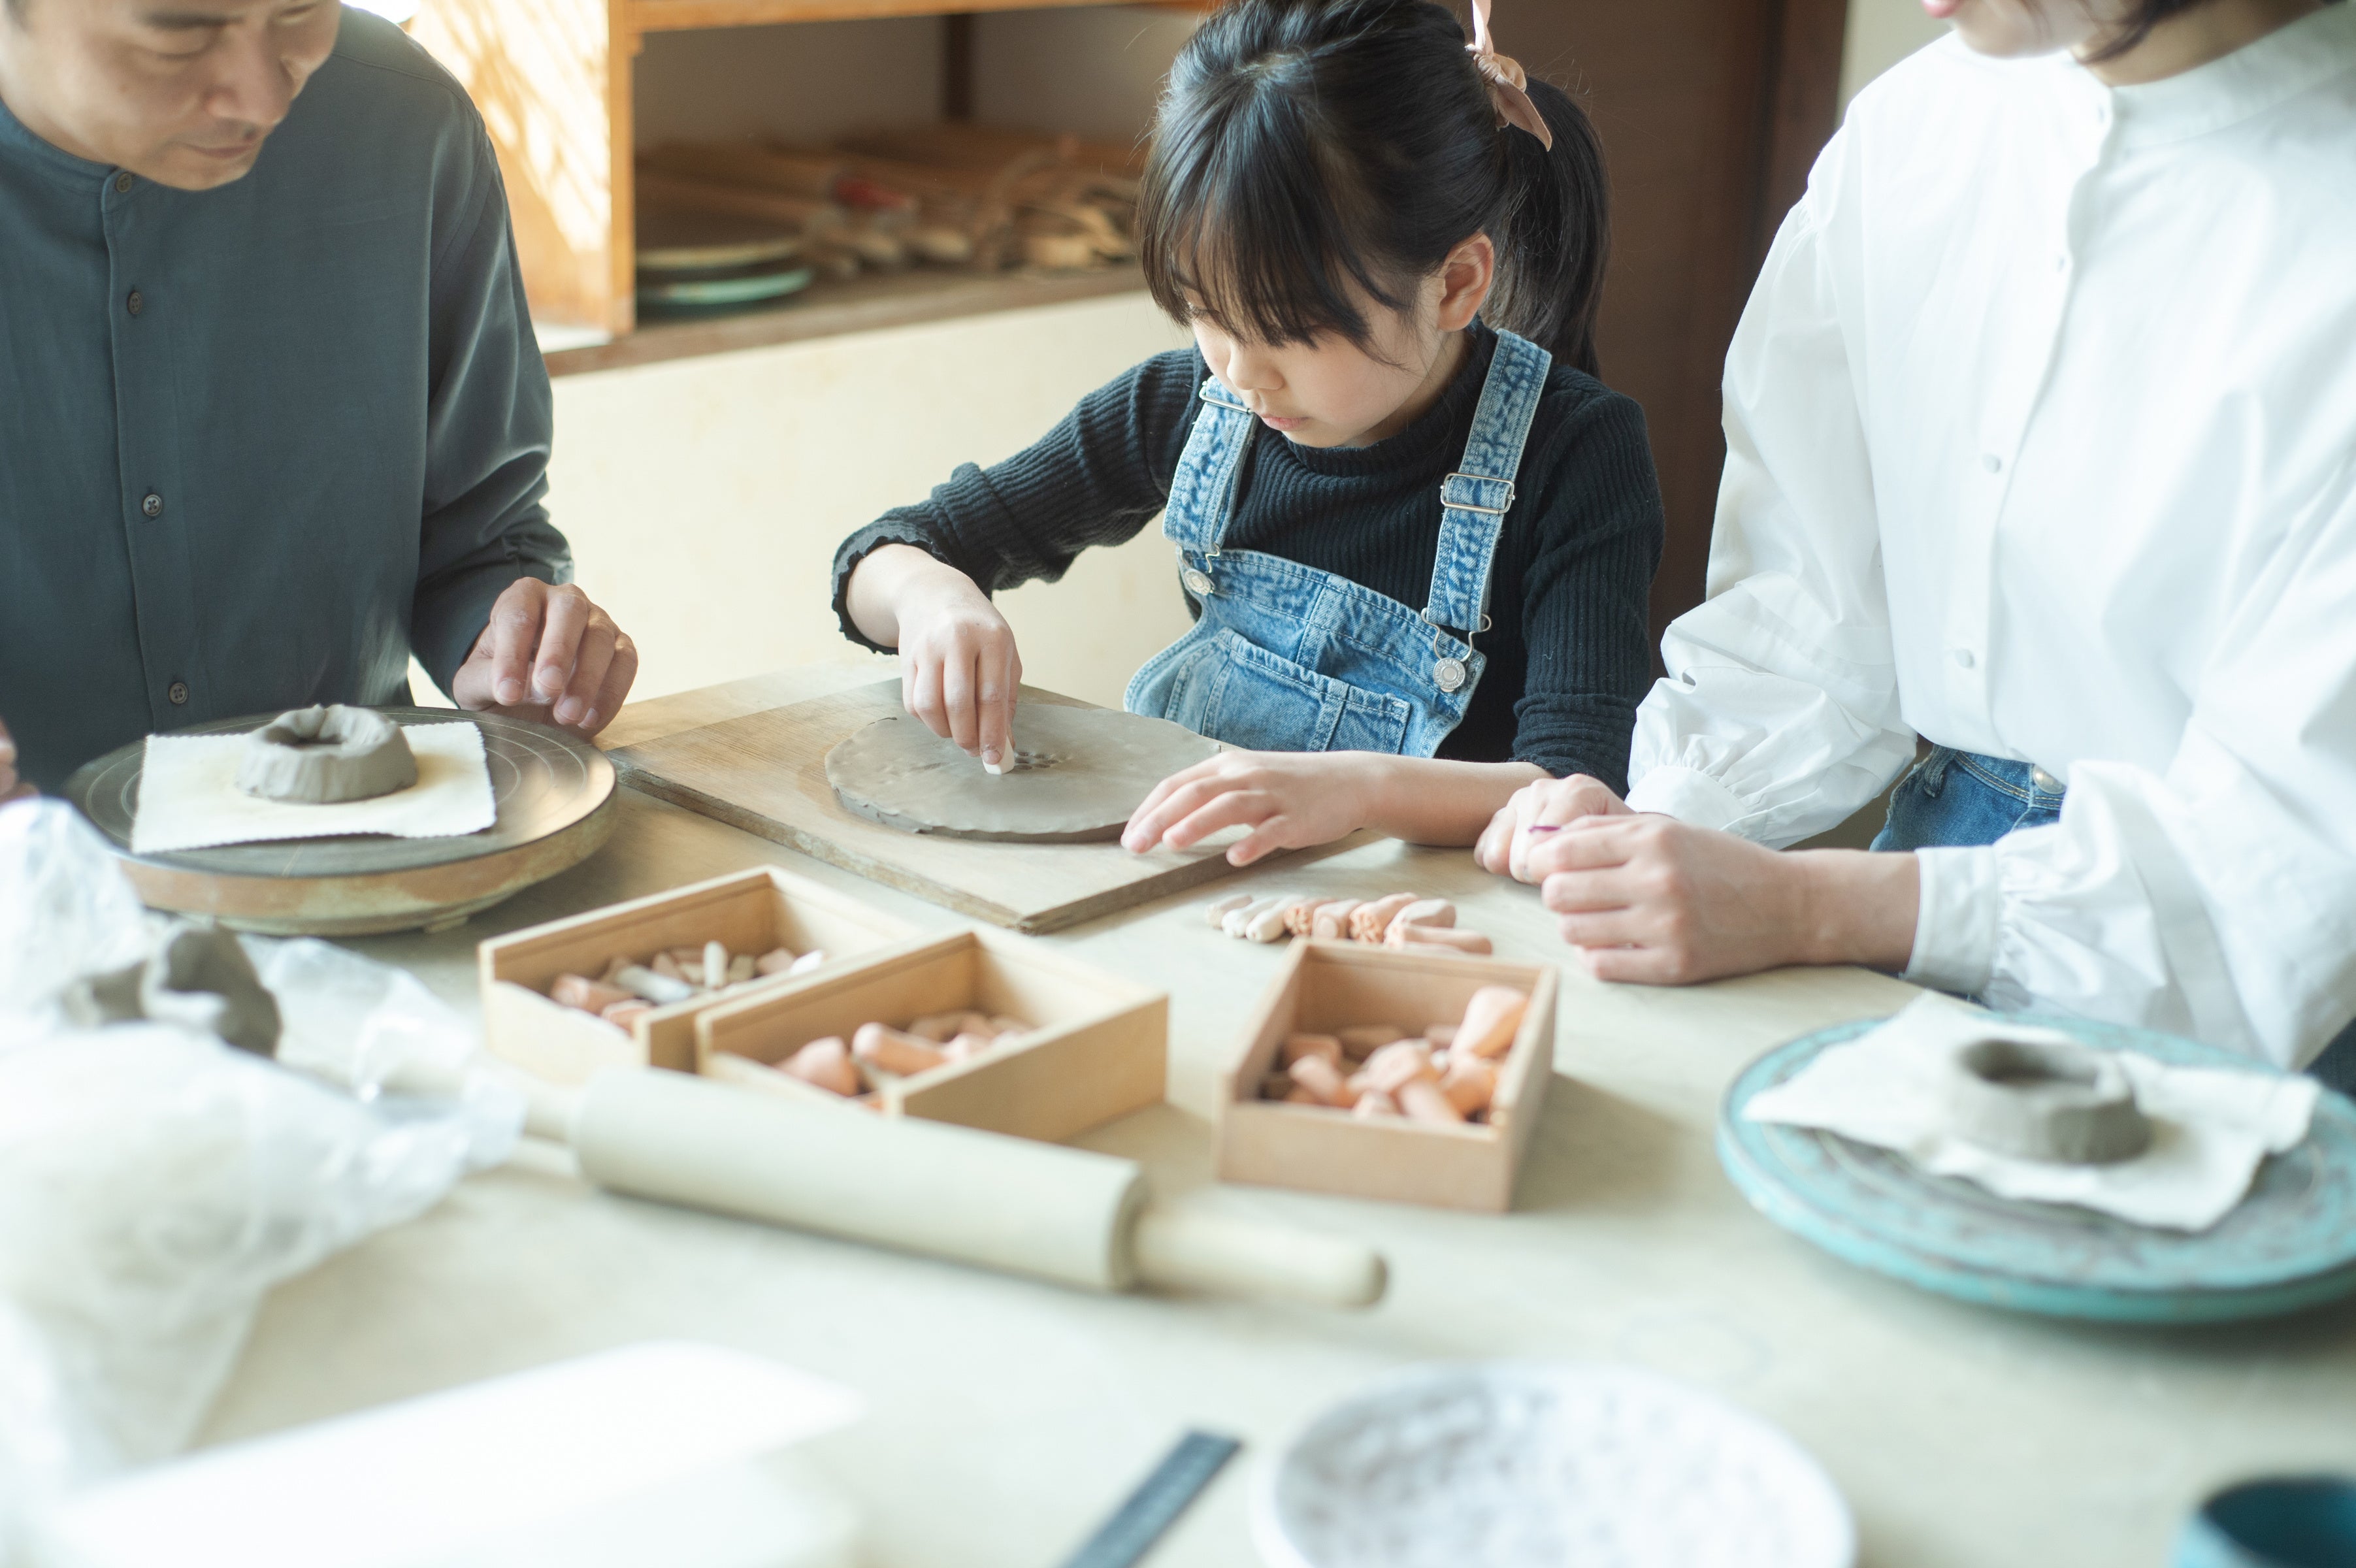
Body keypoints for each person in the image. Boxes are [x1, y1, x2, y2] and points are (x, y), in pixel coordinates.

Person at [1477, 0, 2356, 1085]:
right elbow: (1813, 614)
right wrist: (1655, 822)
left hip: (2259, 1023)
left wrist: (1800, 905)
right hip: (1920, 874)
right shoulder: (1914, 128)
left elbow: (2279, 878)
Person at [831, 0, 1663, 868]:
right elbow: (882, 554)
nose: (1240, 372)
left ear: (1455, 283)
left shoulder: (1577, 453)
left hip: (1421, 924)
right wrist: (935, 598)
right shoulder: (1191, 406)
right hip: (1197, 892)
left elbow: (1577, 791)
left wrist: (1356, 790)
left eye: (1289, 330)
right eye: (1204, 314)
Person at [0, 0, 635, 795]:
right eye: (182, 32)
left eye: (300, 11)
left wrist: (509, 641)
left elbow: (479, 530)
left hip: (366, 860)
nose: (265, 97)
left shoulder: (408, 121)